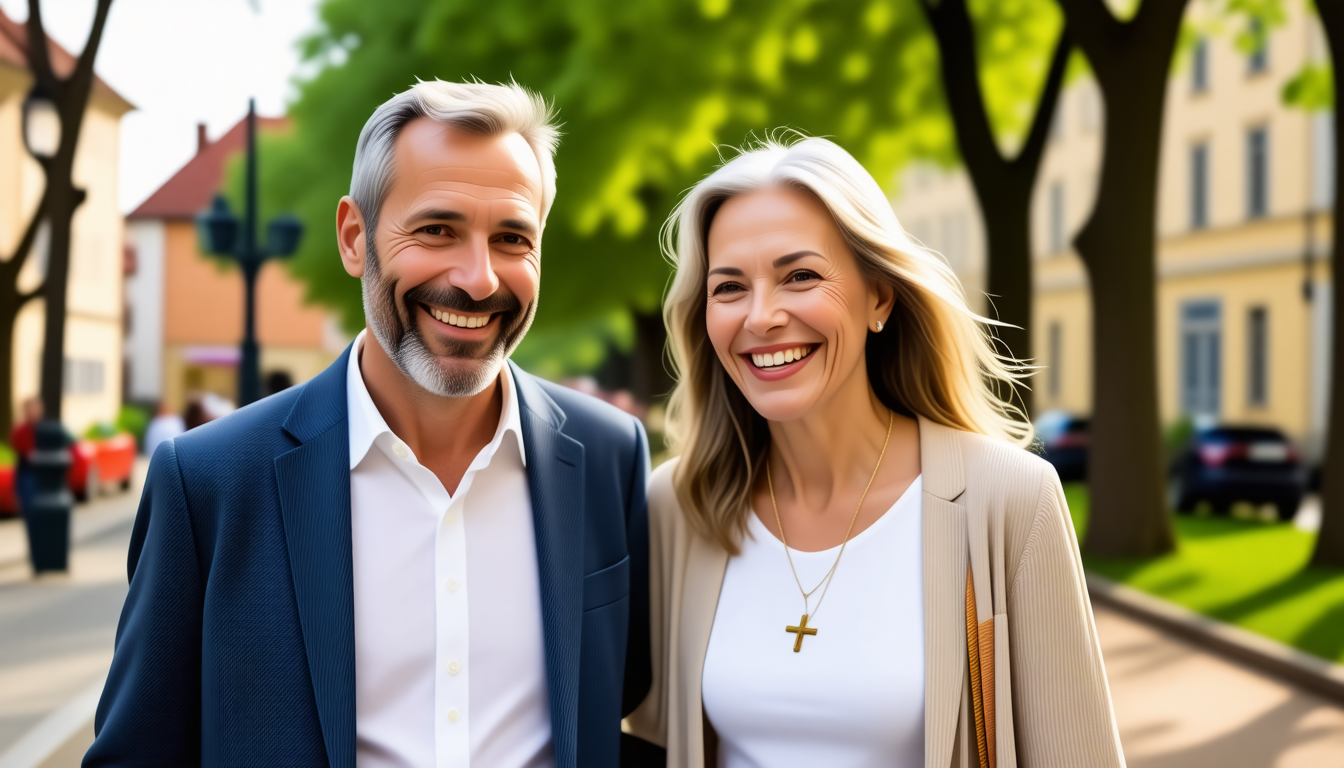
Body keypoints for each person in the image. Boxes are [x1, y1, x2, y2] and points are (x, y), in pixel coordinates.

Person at [86, 80, 654, 768]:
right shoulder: (207, 483)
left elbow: (622, 705)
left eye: (512, 238)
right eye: (437, 229)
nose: (478, 278)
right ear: (355, 239)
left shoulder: (608, 457)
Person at [626, 136, 1124, 767]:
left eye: (800, 276)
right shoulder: (681, 506)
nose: (761, 316)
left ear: (879, 298)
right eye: (728, 288)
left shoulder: (1008, 500)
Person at [9, 397, 41, 519]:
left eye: (36, 407)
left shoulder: (45, 428)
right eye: (30, 408)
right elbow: (29, 455)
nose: (33, 411)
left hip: (42, 476)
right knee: (31, 514)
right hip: (27, 475)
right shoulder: (20, 431)